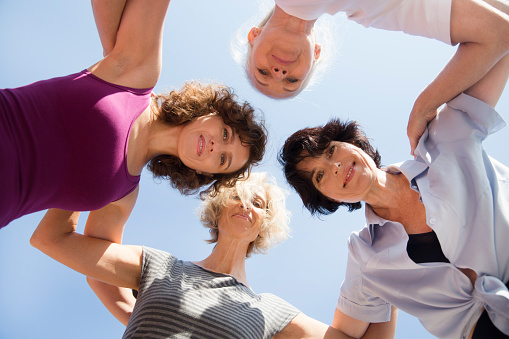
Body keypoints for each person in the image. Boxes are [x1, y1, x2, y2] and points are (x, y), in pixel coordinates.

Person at [278, 35, 509, 338]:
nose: (334, 167)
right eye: (320, 177)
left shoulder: (442, 142)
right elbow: (344, 333)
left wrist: (424, 106)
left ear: (352, 144)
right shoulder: (364, 257)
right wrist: (275, 318)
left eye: (331, 151)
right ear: (328, 197)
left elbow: (498, 35)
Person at [0, 0, 266, 230]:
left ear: (205, 173)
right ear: (213, 113)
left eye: (222, 159)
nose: (214, 146)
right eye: (225, 134)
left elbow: (101, 271)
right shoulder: (140, 76)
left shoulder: (124, 195)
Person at [28, 172, 395, 338]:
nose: (246, 204)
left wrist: (394, 272)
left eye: (258, 202)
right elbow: (52, 238)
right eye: (236, 195)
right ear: (217, 209)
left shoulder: (270, 312)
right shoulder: (160, 266)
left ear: (264, 225)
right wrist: (85, 172)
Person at [240, 0, 509, 153]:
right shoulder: (370, 11)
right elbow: (498, 31)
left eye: (262, 72)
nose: (279, 73)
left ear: (253, 36)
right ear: (316, 55)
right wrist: (424, 107)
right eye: (291, 81)